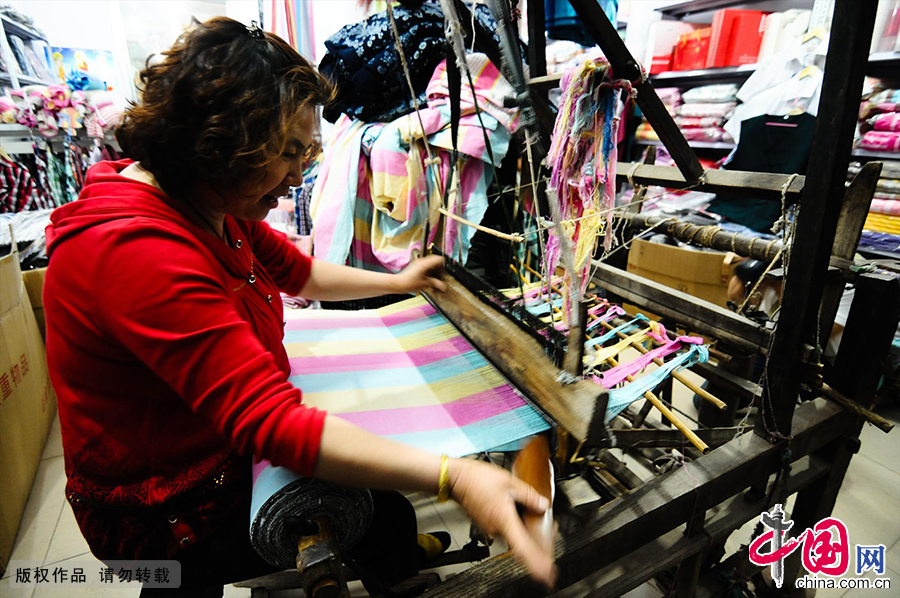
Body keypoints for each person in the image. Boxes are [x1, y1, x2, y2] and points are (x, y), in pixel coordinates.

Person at [43, 17, 555, 596]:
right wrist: (456, 476)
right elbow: (269, 424)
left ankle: (392, 559)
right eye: (287, 153)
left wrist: (401, 279)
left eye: (303, 151)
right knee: (377, 513)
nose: (297, 175)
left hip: (208, 448)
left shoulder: (207, 204)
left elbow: (296, 271)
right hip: (168, 511)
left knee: (385, 511)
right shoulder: (136, 253)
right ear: (217, 144)